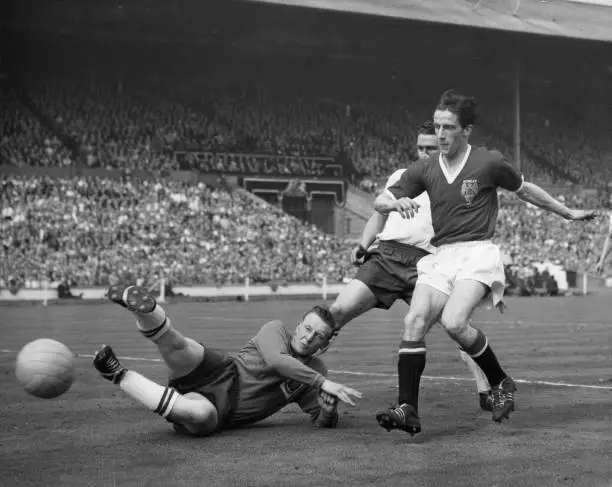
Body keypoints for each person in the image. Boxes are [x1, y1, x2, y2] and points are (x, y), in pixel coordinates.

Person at [373, 89, 597, 435]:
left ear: (466, 130)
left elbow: (526, 189)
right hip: (441, 255)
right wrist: (393, 204)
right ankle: (408, 410)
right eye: (437, 126)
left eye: (448, 127)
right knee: (414, 321)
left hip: (477, 251)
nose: (441, 134)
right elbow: (381, 200)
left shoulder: (488, 162)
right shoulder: (424, 169)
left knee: (453, 321)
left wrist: (567, 212)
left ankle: (500, 381)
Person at [328, 121, 493, 412]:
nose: (424, 152)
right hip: (388, 257)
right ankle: (305, 381)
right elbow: (378, 216)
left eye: (431, 147)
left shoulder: (462, 181)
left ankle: (486, 390)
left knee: (456, 326)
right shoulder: (402, 176)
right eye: (421, 147)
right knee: (337, 312)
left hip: (429, 264)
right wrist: (363, 244)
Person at [93, 285, 362, 436]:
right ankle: (145, 310)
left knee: (199, 415)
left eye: (318, 336)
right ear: (298, 324)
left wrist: (328, 411)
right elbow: (277, 361)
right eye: (307, 328)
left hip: (224, 411)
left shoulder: (315, 371)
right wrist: (323, 382)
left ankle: (118, 374)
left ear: (325, 345)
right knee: (179, 346)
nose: (308, 337)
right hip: (222, 370)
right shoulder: (276, 329)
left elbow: (319, 419)